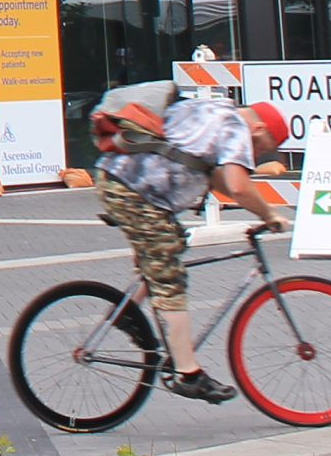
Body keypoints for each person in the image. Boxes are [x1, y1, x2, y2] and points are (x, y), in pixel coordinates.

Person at [93, 94, 292, 404]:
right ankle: (188, 374)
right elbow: (239, 186)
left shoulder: (210, 109)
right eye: (263, 147)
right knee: (169, 279)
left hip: (123, 182)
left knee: (169, 247)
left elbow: (219, 179)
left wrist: (260, 210)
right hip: (134, 191)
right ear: (259, 129)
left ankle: (128, 312)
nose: (257, 154)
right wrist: (269, 215)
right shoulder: (237, 127)